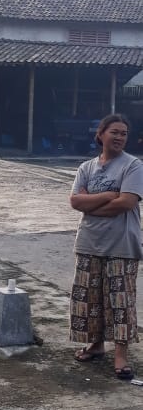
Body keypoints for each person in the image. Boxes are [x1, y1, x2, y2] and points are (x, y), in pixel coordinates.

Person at [70, 113, 143, 381]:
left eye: (124, 133)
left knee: (120, 302)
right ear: (101, 134)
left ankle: (121, 356)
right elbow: (76, 202)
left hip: (121, 244)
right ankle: (96, 345)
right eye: (114, 131)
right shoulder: (86, 168)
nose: (120, 137)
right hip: (89, 243)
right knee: (89, 300)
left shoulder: (133, 166)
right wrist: (109, 196)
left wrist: (94, 205)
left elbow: (126, 203)